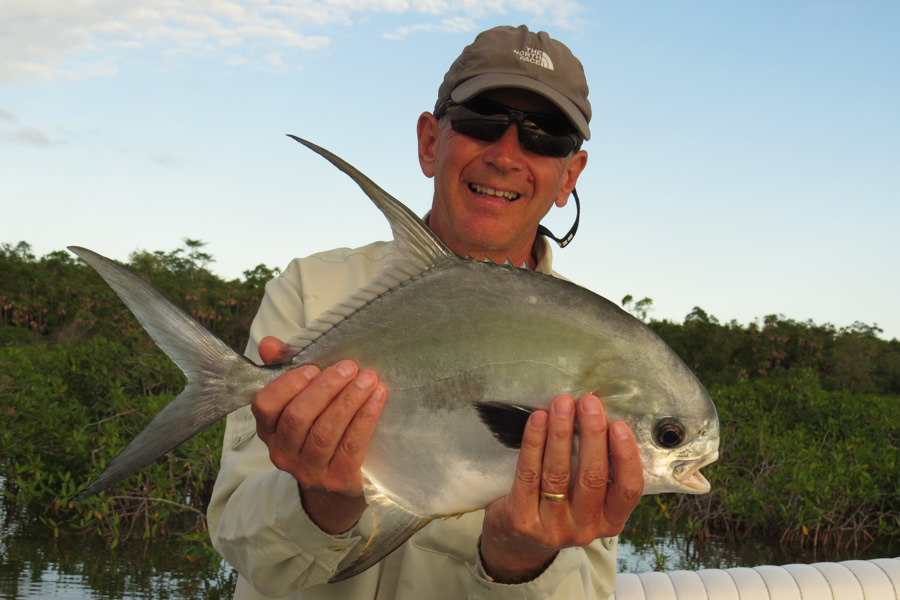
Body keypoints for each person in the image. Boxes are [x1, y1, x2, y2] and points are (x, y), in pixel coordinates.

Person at [207, 24, 644, 599]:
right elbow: (242, 543)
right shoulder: (312, 289)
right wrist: (321, 502)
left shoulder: (604, 351)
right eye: (482, 120)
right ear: (430, 141)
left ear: (571, 174)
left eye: (545, 137)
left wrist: (522, 560)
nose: (507, 154)